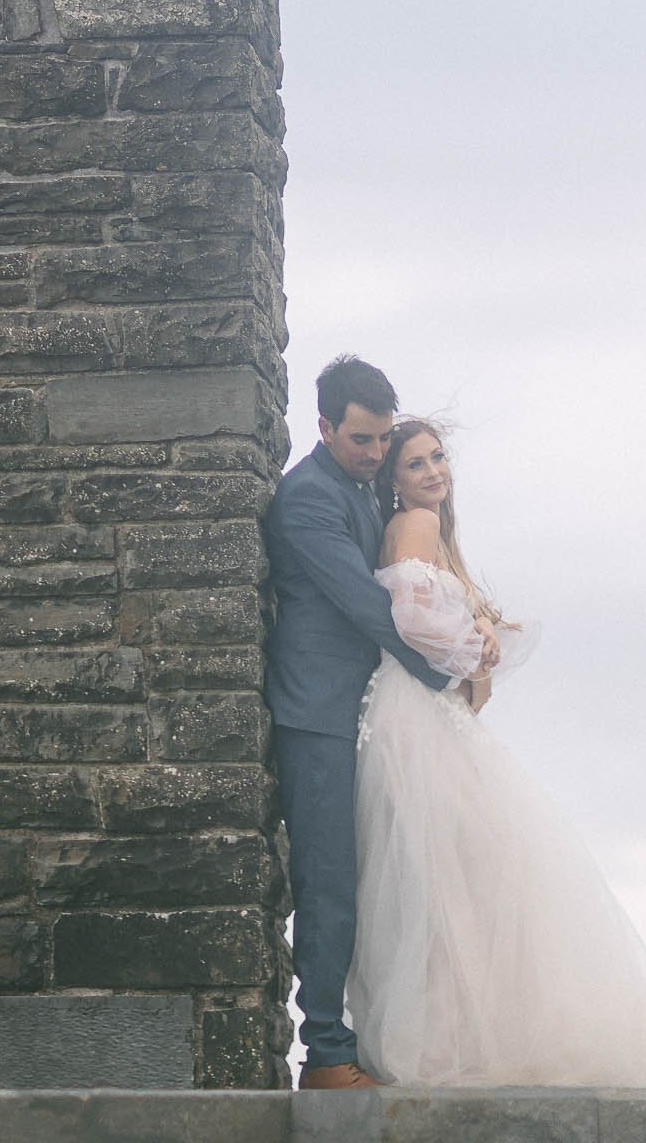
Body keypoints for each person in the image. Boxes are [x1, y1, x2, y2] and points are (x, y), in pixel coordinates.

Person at [347, 417, 646, 1087]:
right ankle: (445, 1043)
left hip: (435, 716)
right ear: (395, 481)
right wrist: (475, 638)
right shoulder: (414, 525)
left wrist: (477, 627)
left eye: (437, 457)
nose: (433, 473)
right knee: (451, 880)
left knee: (465, 883)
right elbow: (413, 621)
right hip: (414, 721)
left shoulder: (438, 534)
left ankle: (461, 1039)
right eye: (415, 464)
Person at [263, 357, 499, 1089]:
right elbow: (366, 605)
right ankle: (327, 1055)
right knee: (328, 880)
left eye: (382, 439)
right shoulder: (307, 499)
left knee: (381, 877)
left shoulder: (366, 493)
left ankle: (368, 1035)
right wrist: (439, 671)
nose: (375, 454)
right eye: (361, 440)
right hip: (319, 715)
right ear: (326, 426)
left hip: (364, 713)